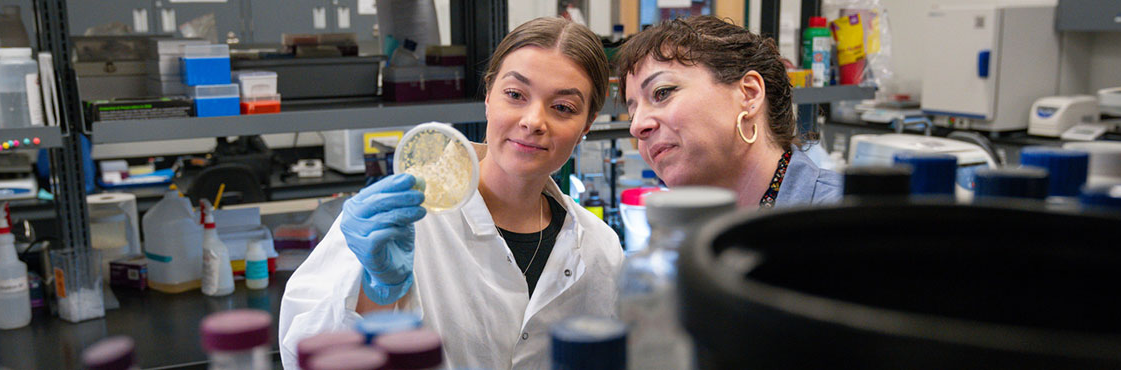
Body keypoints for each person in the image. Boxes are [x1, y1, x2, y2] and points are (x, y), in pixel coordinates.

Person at [279, 17, 622, 369]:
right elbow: (304, 354)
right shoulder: (405, 218)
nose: (534, 121)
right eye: (515, 95)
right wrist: (374, 292)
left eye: (563, 107)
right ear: (488, 96)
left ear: (587, 124)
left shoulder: (600, 250)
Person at [616, 15, 841, 208]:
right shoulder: (690, 235)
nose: (637, 127)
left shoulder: (847, 220)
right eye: (633, 113)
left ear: (749, 95)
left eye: (662, 92)